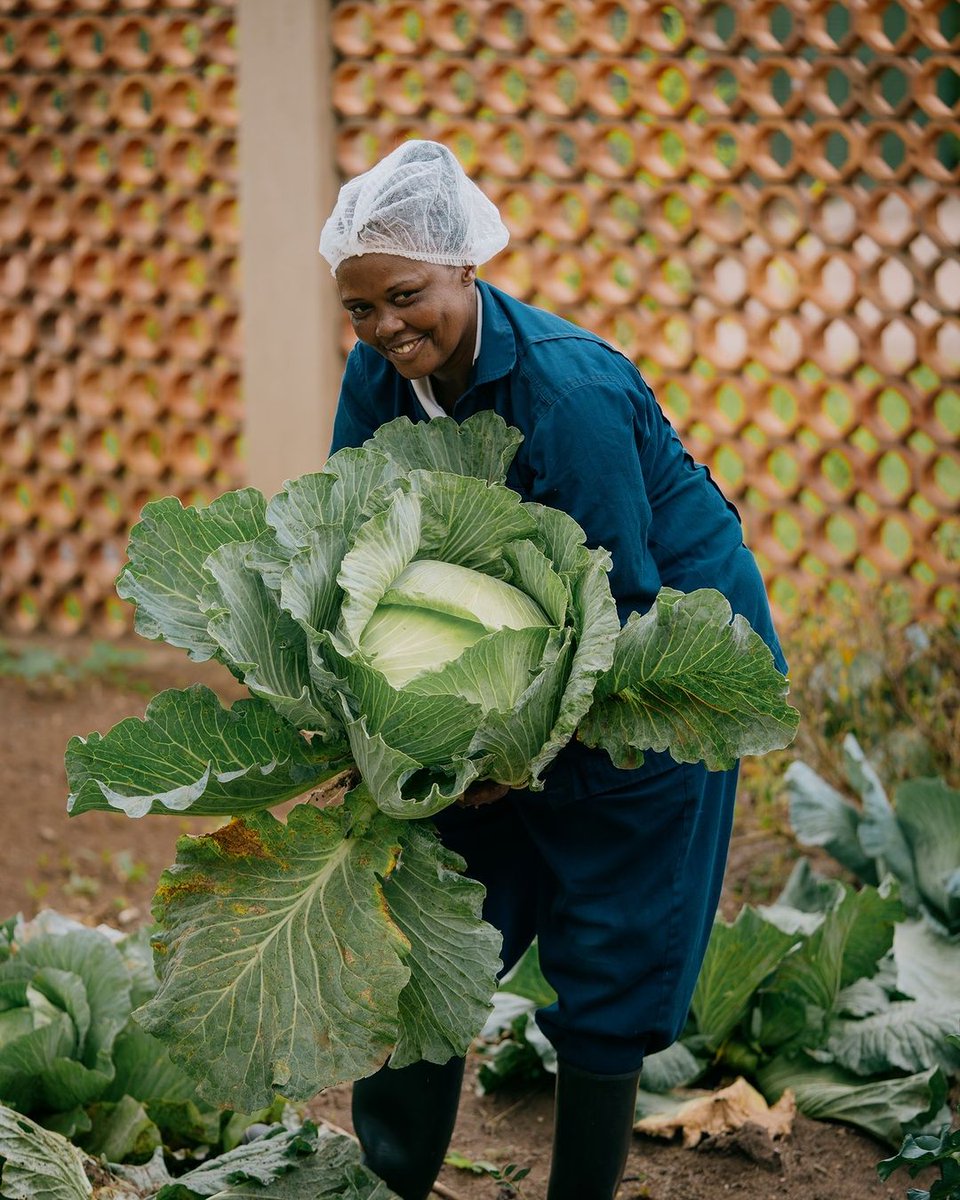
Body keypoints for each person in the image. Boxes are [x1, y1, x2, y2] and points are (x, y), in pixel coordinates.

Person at [318, 139, 787, 1200]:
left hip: (663, 648)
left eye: (405, 296)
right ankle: (388, 1178)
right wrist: (368, 729)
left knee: (612, 912)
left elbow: (615, 603)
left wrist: (517, 757)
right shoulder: (376, 382)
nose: (387, 328)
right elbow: (346, 542)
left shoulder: (567, 392)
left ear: (465, 266)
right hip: (485, 669)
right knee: (432, 914)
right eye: (360, 310)